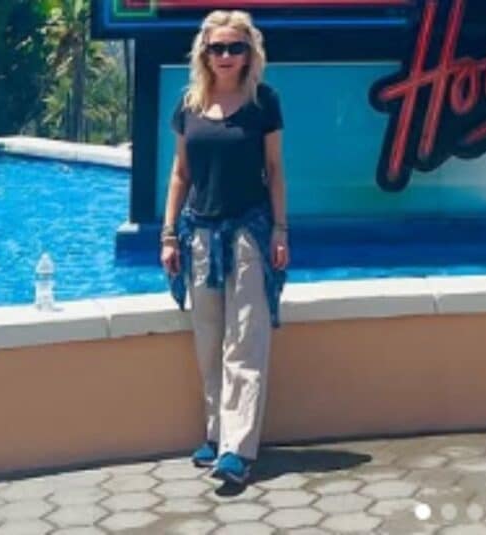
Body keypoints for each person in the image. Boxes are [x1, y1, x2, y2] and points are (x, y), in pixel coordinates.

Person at [160, 9, 289, 486]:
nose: (227, 56)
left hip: (250, 233)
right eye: (218, 48)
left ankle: (239, 448)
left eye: (236, 47)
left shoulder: (264, 103)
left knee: (246, 340)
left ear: (249, 52)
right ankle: (215, 434)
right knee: (209, 339)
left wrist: (280, 230)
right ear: (205, 53)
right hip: (200, 235)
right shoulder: (189, 105)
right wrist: (169, 234)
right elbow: (180, 174)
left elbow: (275, 170)